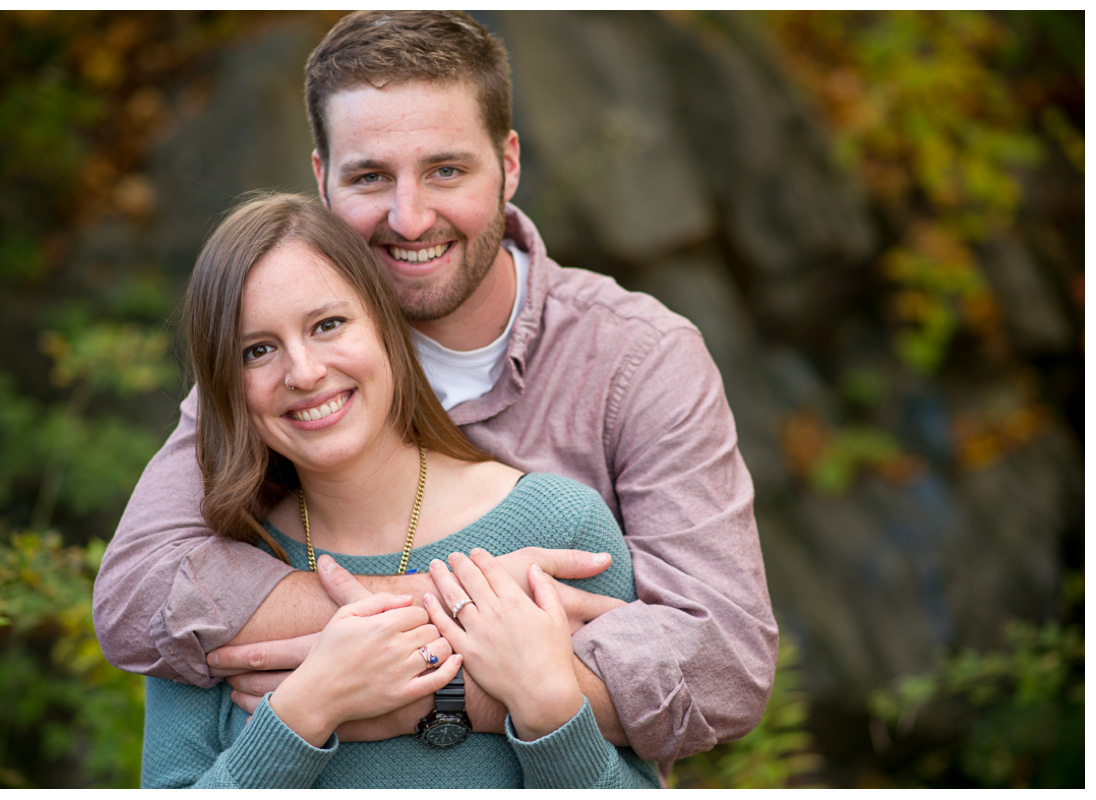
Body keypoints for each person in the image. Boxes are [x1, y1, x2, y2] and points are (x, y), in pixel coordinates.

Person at [95, 9, 777, 770]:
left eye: (446, 170)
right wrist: (456, 611)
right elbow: (135, 595)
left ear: (509, 165)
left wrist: (436, 694)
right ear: (322, 180)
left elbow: (722, 662)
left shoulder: (637, 361)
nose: (409, 217)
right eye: (370, 177)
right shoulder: (283, 371)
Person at [142, 192, 658, 788]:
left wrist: (548, 708)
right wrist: (308, 708)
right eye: (257, 350)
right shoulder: (214, 582)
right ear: (226, 385)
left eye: (328, 324)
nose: (304, 372)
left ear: (387, 328)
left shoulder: (560, 531)